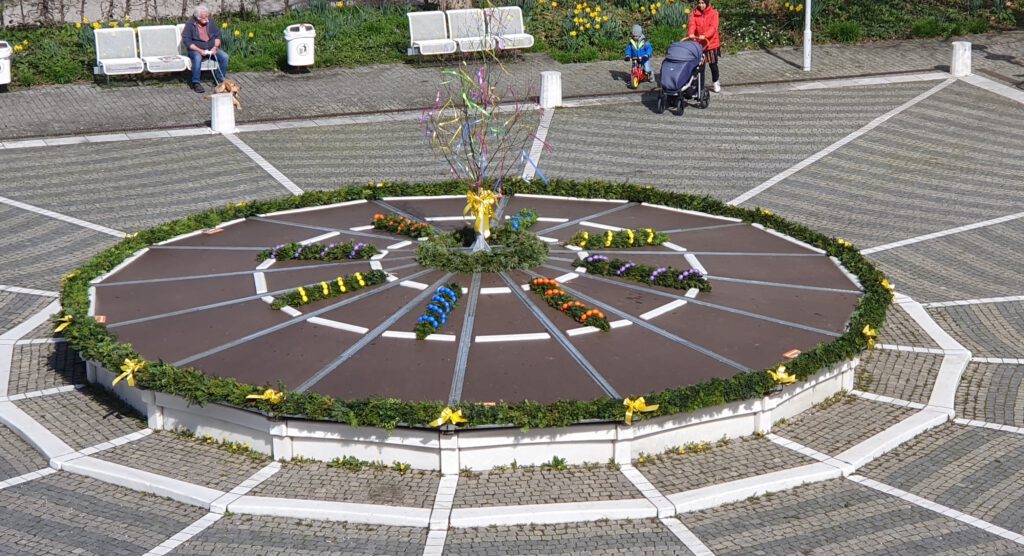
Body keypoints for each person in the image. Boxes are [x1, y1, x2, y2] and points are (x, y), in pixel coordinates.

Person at [181, 5, 229, 93]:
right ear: (197, 17)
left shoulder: (210, 22)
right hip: (196, 49)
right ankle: (196, 82)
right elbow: (187, 41)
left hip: (211, 47)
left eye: (207, 16)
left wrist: (215, 47)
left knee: (224, 57)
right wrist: (200, 51)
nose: (207, 19)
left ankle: (219, 79)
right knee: (197, 57)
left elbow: (218, 36)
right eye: (204, 17)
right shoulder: (190, 24)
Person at [687, 0, 721, 92]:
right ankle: (700, 86)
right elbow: (692, 24)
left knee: (713, 65)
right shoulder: (694, 13)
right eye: (699, 3)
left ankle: (716, 81)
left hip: (711, 43)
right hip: (699, 44)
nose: (701, 5)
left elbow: (713, 27)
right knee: (700, 66)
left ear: (707, 3)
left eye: (703, 3)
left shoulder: (714, 13)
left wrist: (705, 35)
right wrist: (691, 33)